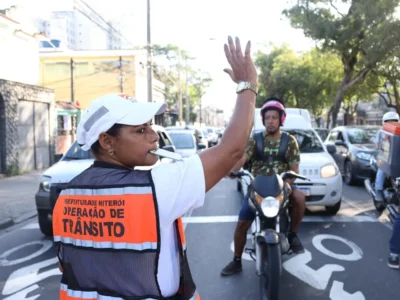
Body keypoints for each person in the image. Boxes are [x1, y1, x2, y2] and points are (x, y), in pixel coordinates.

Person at [52, 36, 258, 300]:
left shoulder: (66, 197)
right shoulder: (156, 186)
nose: (154, 136)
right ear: (107, 141)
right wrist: (248, 85)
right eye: (140, 130)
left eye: (150, 126)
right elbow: (232, 150)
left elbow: (69, 264)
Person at [221, 97, 306, 277]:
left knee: (300, 198)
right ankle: (236, 260)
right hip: (258, 189)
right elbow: (242, 159)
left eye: (274, 117)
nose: (270, 121)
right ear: (263, 120)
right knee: (242, 223)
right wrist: (232, 170)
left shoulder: (290, 141)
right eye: (267, 118)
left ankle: (292, 235)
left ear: (280, 119)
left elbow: (294, 169)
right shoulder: (255, 139)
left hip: (281, 188)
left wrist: (289, 186)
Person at [374, 111, 399, 201]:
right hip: (384, 158)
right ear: (384, 122)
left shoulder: (398, 131)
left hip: (396, 158)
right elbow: (377, 144)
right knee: (381, 171)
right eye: (388, 121)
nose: (391, 123)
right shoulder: (381, 132)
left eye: (393, 121)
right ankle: (378, 190)